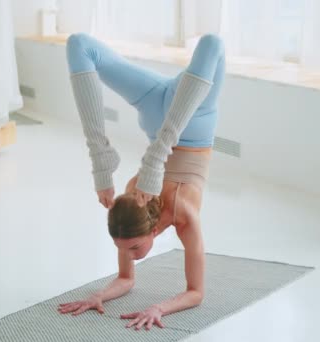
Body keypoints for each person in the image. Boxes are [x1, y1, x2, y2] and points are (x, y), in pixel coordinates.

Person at [58, 33, 225, 331]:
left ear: (148, 229)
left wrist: (159, 308)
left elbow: (196, 293)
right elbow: (126, 280)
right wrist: (98, 295)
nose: (129, 255)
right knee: (77, 45)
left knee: (212, 43)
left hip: (192, 117)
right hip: (176, 106)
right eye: (125, 249)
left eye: (133, 249)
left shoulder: (173, 210)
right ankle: (105, 156)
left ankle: (146, 155)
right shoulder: (133, 219)